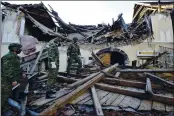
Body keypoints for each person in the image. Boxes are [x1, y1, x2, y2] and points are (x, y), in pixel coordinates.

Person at [1, 43, 22, 115]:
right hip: (5, 81)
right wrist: (13, 80)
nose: (20, 50)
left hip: (10, 81)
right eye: (19, 48)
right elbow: (7, 70)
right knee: (3, 96)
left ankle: (5, 109)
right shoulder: (8, 57)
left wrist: (22, 74)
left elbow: (15, 68)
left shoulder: (15, 57)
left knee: (7, 95)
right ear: (15, 49)